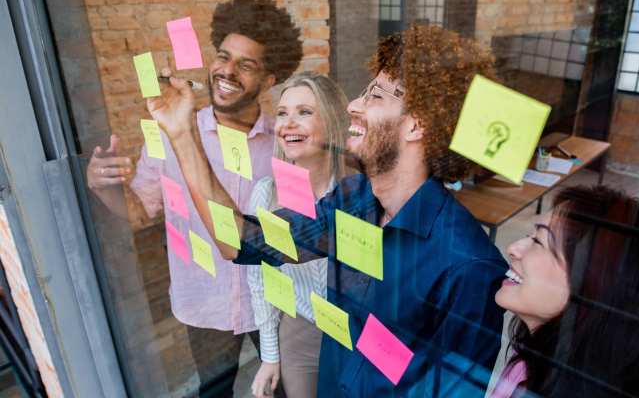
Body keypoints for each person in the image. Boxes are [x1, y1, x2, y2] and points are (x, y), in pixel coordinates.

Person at [152, 25, 507, 397]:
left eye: (377, 95)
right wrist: (182, 133)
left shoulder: (469, 267)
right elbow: (241, 243)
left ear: (416, 124)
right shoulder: (354, 200)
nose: (354, 105)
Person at [86, 0, 302, 386]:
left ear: (269, 80)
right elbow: (140, 211)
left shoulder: (285, 145)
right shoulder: (172, 130)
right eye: (224, 57)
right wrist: (105, 188)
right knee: (212, 389)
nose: (228, 71)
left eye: (246, 64)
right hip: (204, 303)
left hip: (270, 308)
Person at [491, 185, 639, 398]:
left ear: (594, 285)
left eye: (537, 241)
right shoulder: (534, 360)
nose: (513, 248)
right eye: (530, 235)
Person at [246, 71, 350, 398]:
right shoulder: (265, 193)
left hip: (356, 334)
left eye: (304, 112)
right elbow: (259, 280)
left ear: (331, 122)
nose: (289, 122)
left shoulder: (357, 193)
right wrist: (270, 356)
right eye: (282, 113)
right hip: (300, 331)